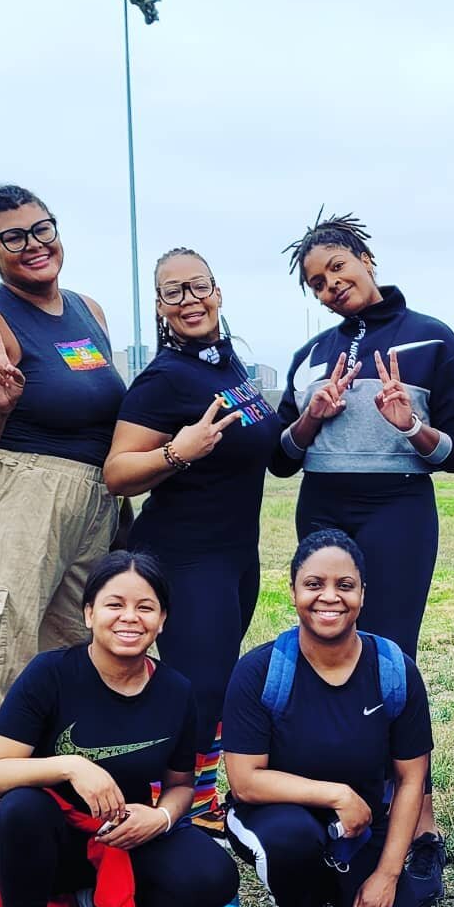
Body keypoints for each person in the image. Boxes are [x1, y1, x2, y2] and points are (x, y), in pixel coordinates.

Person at [0, 184, 126, 907]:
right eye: (12, 237)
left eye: (40, 228)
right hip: (9, 496)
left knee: (70, 664)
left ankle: (58, 842)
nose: (32, 244)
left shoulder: (89, 312)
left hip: (88, 503)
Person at [274, 212, 454, 884]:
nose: (330, 286)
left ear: (365, 257)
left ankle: (416, 817)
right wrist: (313, 416)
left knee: (393, 656)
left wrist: (411, 426)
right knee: (330, 651)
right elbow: (281, 456)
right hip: (324, 505)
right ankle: (346, 804)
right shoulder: (311, 356)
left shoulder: (431, 340)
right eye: (316, 284)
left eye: (337, 269)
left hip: (398, 509)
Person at [0, 552, 240, 907]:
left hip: (121, 835)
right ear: (89, 613)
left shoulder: (177, 691)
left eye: (146, 607)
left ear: (162, 620)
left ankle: (99, 898)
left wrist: (158, 820)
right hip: (44, 838)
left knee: (213, 877)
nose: (129, 618)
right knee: (20, 810)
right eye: (114, 604)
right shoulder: (50, 675)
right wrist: (71, 765)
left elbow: (182, 786)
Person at [104, 248, 284, 827]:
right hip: (185, 555)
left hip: (234, 553)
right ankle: (181, 805)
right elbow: (116, 472)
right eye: (174, 292)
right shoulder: (164, 378)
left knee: (214, 683)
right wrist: (178, 452)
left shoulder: (228, 366)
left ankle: (198, 796)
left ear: (218, 291)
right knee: (200, 688)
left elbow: (271, 449)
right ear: (160, 306)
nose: (190, 300)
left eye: (199, 286)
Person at [222, 531, 432, 907]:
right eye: (314, 584)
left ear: (362, 593)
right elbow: (245, 780)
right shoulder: (260, 670)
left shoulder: (394, 670)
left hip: (359, 828)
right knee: (294, 835)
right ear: (294, 590)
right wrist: (336, 794)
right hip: (275, 818)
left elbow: (411, 779)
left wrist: (388, 876)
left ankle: (336, 884)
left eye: (345, 585)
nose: (329, 597)